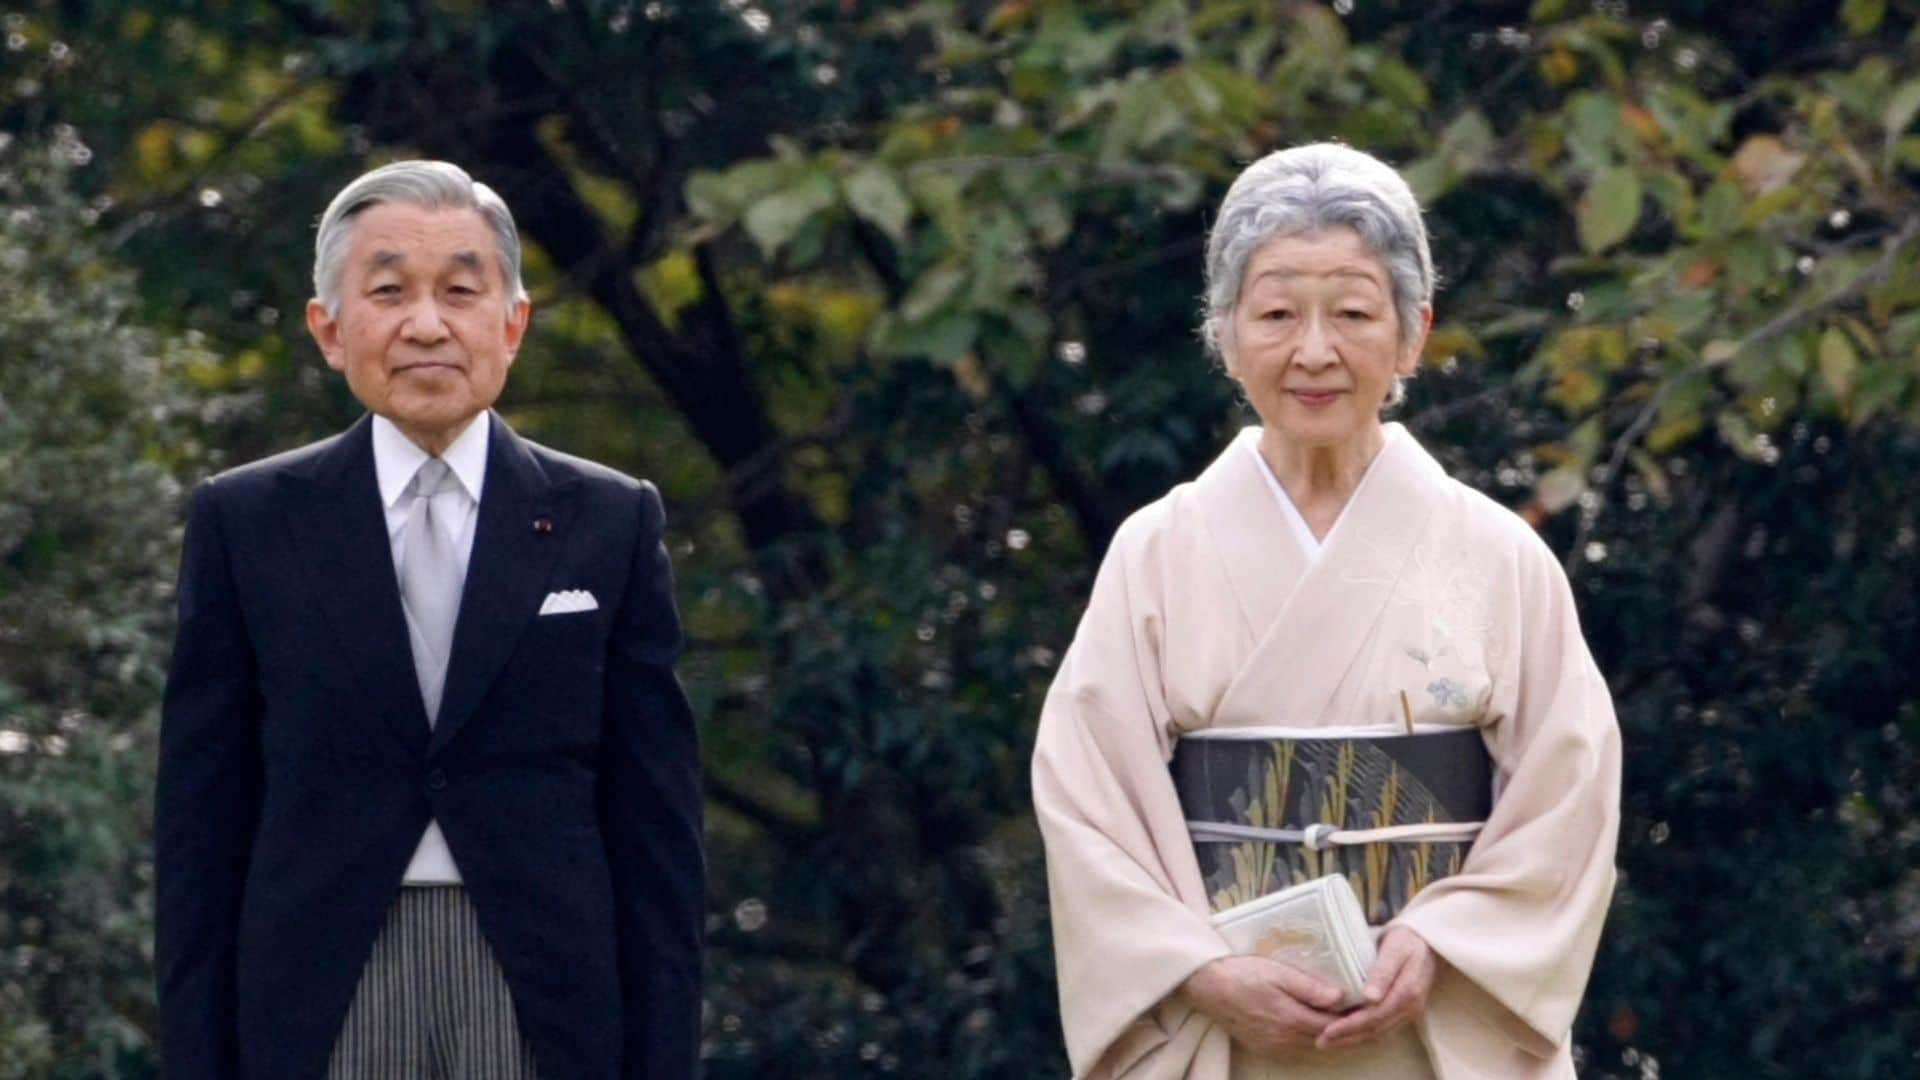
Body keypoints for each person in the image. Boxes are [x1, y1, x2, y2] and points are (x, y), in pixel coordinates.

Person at [1031, 143, 1621, 1079]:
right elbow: (1088, 804)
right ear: (1224, 333)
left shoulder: (1497, 553)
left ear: (1414, 332)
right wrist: (1199, 967)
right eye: (1274, 314)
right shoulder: (1157, 551)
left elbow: (1569, 794)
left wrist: (1441, 942)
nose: (1314, 351)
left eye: (1352, 312)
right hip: (1225, 1034)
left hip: (1428, 1035)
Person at [155, 160, 704, 1079]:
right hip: (318, 984)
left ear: (512, 322)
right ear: (329, 330)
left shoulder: (609, 520)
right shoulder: (246, 522)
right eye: (388, 291)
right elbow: (199, 833)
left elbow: (658, 834)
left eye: (460, 290)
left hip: (545, 988)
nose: (426, 324)